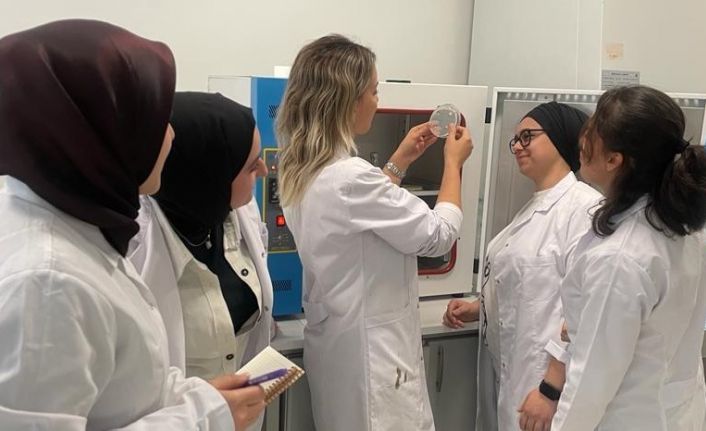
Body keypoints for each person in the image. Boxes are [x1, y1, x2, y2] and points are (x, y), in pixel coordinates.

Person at [0, 20, 263, 430]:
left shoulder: (80, 225)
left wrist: (194, 397)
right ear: (98, 131)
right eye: (155, 120)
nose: (172, 135)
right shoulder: (47, 281)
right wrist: (204, 418)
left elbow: (124, 386)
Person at [276, 34, 473, 431]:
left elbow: (360, 219)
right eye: (373, 91)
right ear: (349, 101)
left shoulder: (301, 169)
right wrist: (453, 164)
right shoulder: (350, 177)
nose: (377, 101)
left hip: (339, 351)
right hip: (376, 363)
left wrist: (400, 161)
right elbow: (438, 235)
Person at [551, 85, 706, 430]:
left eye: (593, 127)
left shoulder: (621, 258)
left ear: (614, 160)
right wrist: (588, 319)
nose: (582, 136)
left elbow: (590, 387)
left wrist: (592, 323)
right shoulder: (685, 228)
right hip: (676, 412)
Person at [442, 102, 601, 431]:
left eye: (527, 136)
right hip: (513, 376)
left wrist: (550, 390)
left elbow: (585, 310)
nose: (517, 146)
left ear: (559, 138)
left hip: (545, 387)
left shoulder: (584, 209)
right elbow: (530, 287)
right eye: (515, 139)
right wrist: (480, 308)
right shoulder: (533, 208)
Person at [129, 91, 272, 430]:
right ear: (210, 175)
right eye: (251, 165)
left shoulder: (239, 212)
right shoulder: (132, 242)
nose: (265, 170)